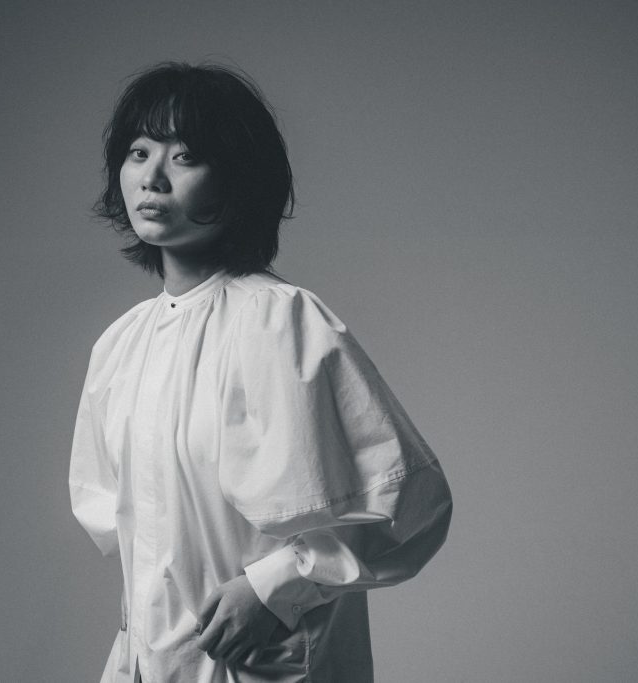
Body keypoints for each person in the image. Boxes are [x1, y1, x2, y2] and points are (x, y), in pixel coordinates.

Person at [69, 62, 452, 683]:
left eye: (185, 157)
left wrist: (276, 588)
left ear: (238, 178)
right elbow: (137, 538)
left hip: (264, 668)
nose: (153, 177)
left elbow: (412, 503)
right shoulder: (121, 344)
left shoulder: (279, 322)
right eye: (139, 153)